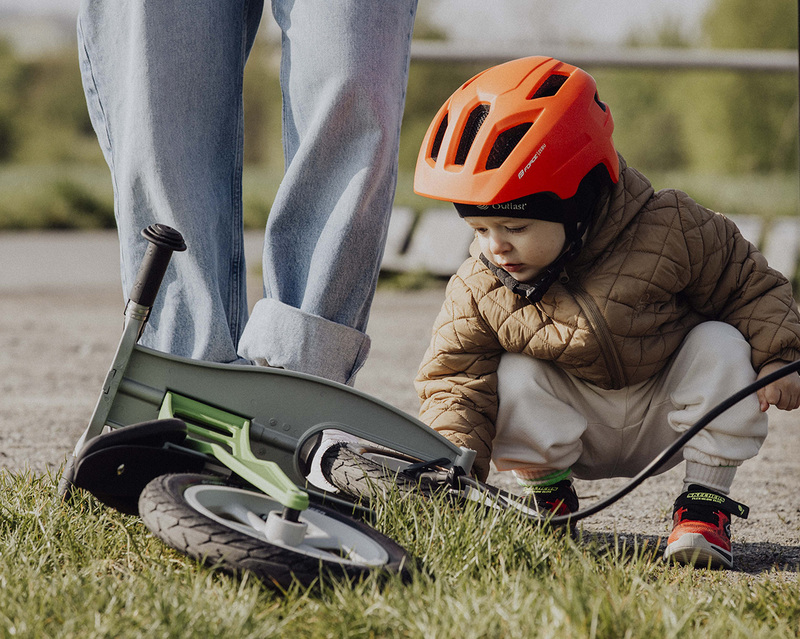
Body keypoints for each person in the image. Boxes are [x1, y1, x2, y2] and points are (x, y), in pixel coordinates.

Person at [412, 56, 800, 569]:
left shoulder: (671, 228)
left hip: (666, 414)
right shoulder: (480, 284)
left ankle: (704, 510)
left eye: (515, 227)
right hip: (575, 426)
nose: (496, 247)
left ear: (577, 199)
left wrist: (781, 355)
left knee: (722, 344)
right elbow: (454, 384)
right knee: (512, 371)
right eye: (480, 230)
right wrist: (448, 472)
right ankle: (547, 501)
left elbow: (748, 284)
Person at [77, 0, 418, 387]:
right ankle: (187, 381)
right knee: (159, 107)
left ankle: (301, 386)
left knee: (351, 75)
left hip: (306, 374)